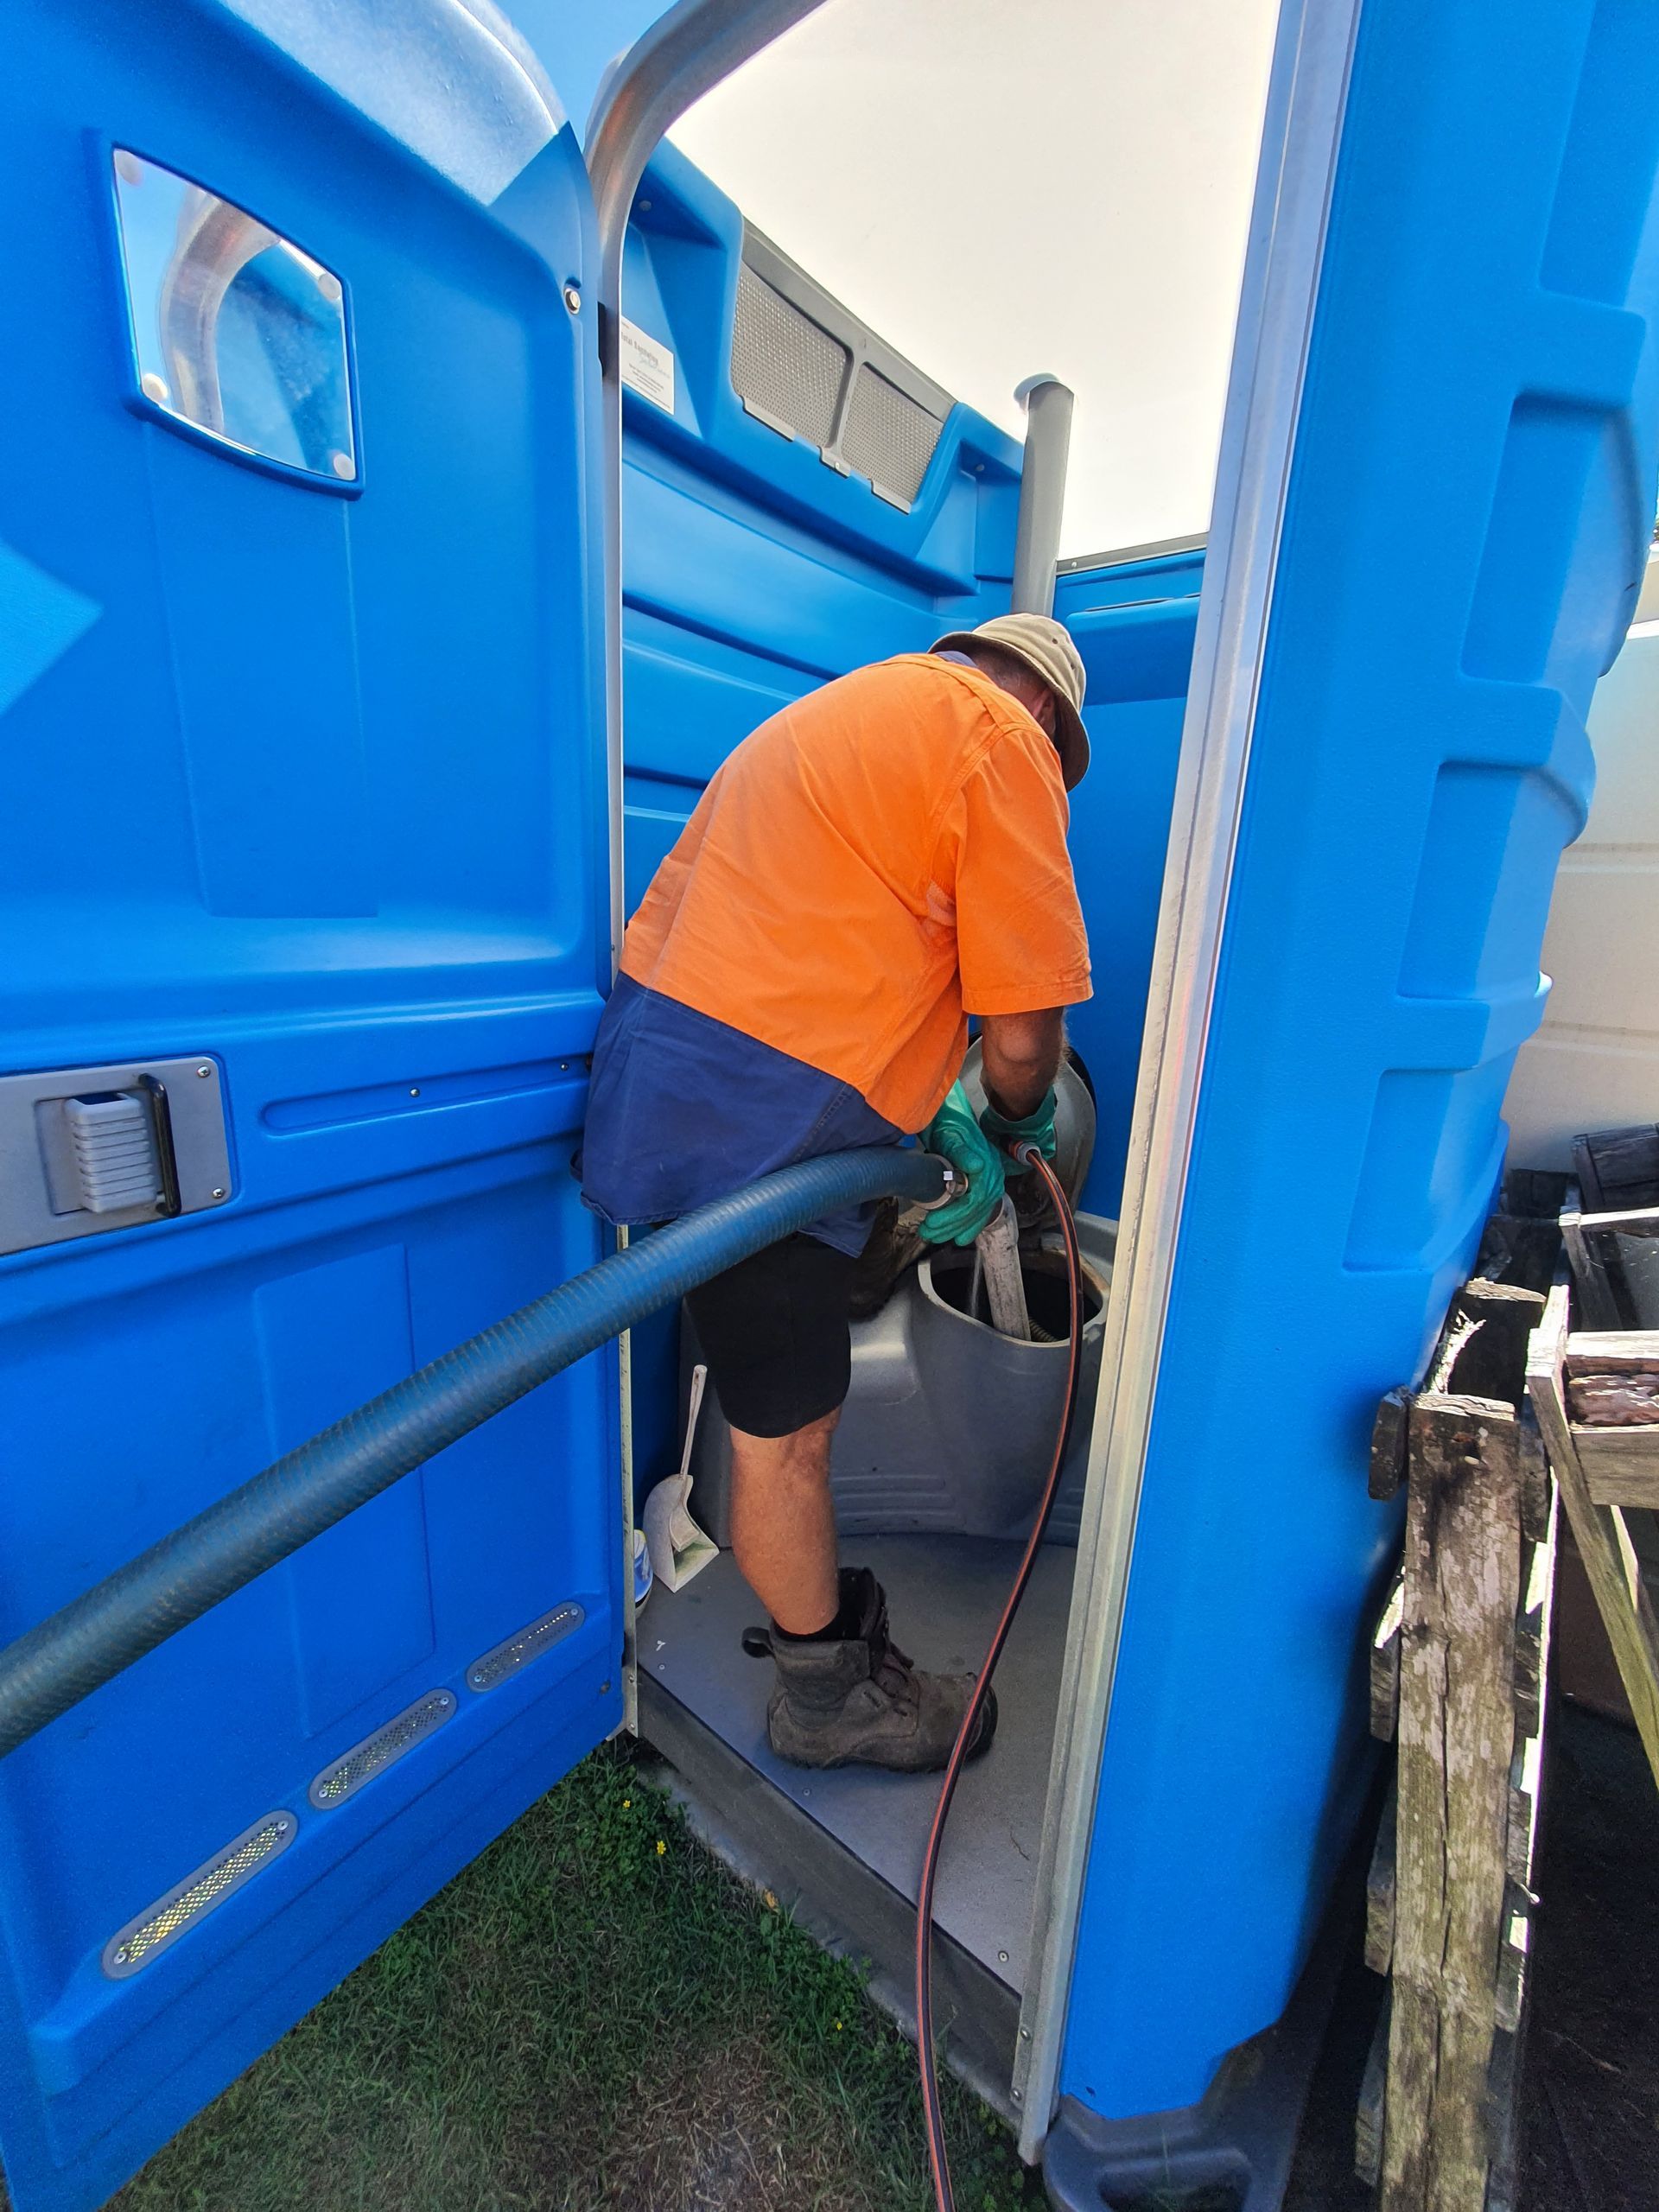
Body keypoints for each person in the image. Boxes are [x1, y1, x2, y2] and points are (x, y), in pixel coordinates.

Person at [581, 614, 1091, 1770]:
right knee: (786, 1437)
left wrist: (925, 1105)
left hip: (674, 1075)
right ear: (1049, 717)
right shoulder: (1002, 740)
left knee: (784, 1403)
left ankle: (824, 1647)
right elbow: (1023, 1042)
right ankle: (827, 1702)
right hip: (765, 1125)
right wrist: (1011, 1130)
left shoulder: (850, 705)